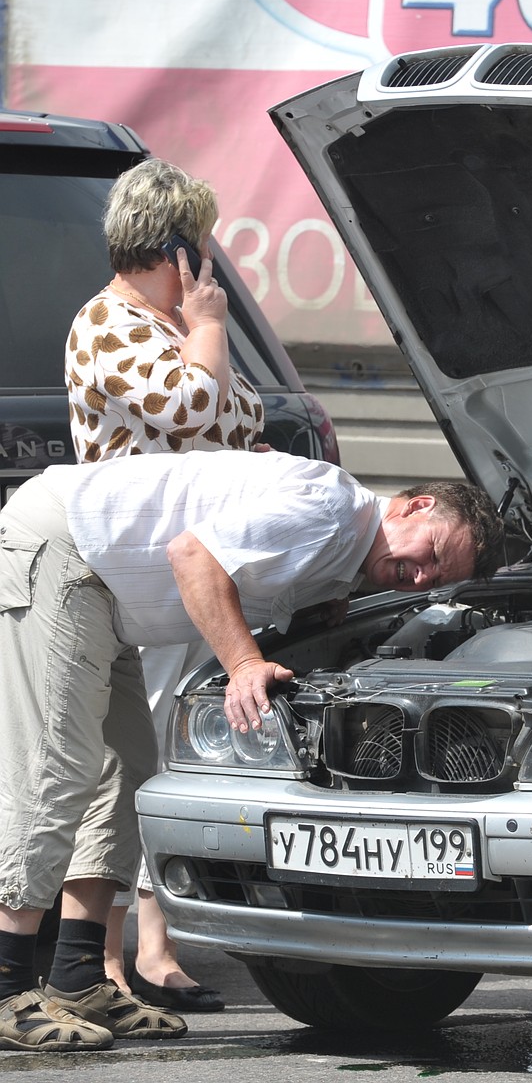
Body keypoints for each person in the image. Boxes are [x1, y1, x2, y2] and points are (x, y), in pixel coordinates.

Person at [0, 450, 504, 1051]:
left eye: (438, 580)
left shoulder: (342, 549)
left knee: (125, 773)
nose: (422, 577)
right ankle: (6, 988)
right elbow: (194, 556)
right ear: (417, 506)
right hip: (66, 548)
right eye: (433, 556)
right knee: (57, 767)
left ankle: (78, 977)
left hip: (105, 589)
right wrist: (244, 665)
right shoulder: (333, 511)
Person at [64, 157, 265, 1014]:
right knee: (130, 756)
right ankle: (101, 957)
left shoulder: (172, 321)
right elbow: (193, 408)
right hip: (139, 574)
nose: (210, 258)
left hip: (194, 570)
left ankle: (156, 946)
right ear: (177, 246)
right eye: (202, 240)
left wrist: (200, 335)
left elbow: (245, 416)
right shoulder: (108, 323)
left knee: (173, 748)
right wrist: (207, 326)